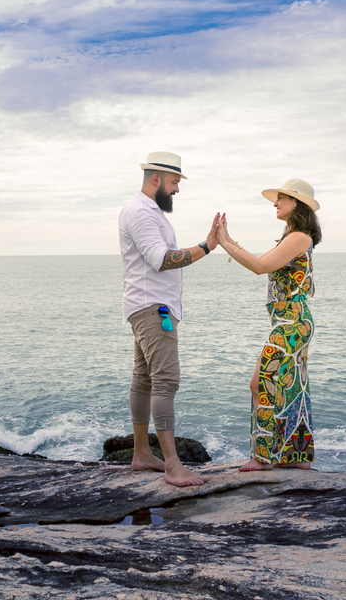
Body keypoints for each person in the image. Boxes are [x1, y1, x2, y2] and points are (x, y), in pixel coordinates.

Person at [119, 151, 219, 486]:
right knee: (165, 381)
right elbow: (161, 260)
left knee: (144, 380)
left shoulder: (149, 213)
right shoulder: (140, 213)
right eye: (175, 182)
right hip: (153, 308)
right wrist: (207, 246)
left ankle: (142, 454)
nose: (177, 189)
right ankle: (173, 466)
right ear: (157, 178)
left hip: (146, 305)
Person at [217, 178, 321, 471]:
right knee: (294, 389)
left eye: (281, 198)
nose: (275, 203)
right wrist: (229, 240)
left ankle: (262, 458)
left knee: (261, 383)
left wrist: (225, 242)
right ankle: (296, 458)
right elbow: (262, 261)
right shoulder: (292, 238)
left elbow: (260, 267)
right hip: (290, 321)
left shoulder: (299, 237)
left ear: (296, 204)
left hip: (293, 322)